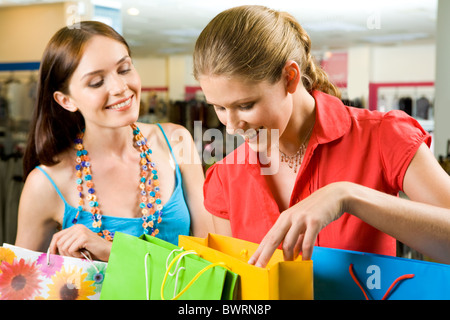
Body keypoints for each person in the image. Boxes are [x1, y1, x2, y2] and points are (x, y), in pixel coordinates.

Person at [193, 5, 450, 267]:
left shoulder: (383, 136)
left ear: (289, 78)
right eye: (220, 108)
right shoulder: (224, 178)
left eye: (245, 105)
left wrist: (348, 196)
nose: (232, 126)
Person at [15, 21, 213, 262]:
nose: (120, 87)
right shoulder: (45, 183)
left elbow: (212, 259)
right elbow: (21, 284)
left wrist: (112, 251)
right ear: (66, 100)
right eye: (96, 82)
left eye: (125, 69)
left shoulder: (176, 140)